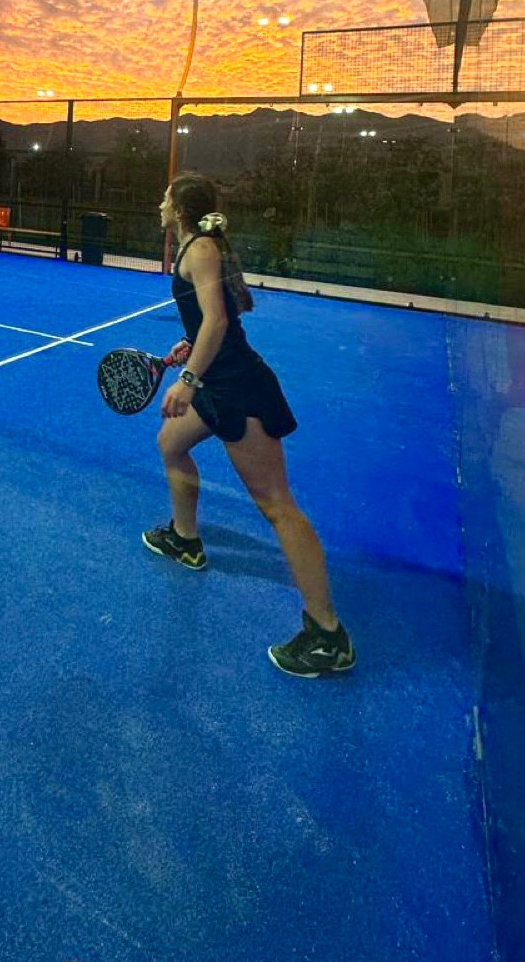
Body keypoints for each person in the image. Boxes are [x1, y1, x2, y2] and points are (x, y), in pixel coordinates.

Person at [144, 171, 356, 677]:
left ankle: (328, 635)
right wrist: (191, 345)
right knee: (171, 443)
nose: (160, 203)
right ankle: (186, 539)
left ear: (180, 207)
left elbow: (219, 321)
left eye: (166, 196)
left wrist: (188, 379)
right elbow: (209, 321)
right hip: (217, 380)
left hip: (236, 387)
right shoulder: (197, 246)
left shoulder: (199, 249)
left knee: (277, 506)